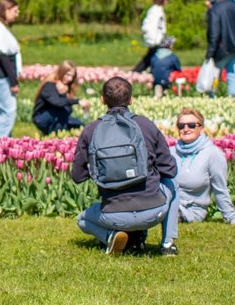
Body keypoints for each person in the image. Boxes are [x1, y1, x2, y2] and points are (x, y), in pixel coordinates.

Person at [71, 77, 179, 256]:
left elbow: (77, 176)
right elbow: (170, 169)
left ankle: (111, 236)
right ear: (131, 99)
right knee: (173, 183)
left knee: (82, 220)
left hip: (113, 215)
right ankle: (168, 245)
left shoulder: (91, 130)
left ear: (102, 100)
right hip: (154, 211)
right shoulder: (146, 125)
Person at [170, 108, 235, 226]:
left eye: (191, 125)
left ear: (201, 128)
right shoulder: (170, 152)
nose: (186, 129)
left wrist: (232, 219)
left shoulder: (212, 154)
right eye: (181, 126)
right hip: (167, 202)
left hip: (190, 211)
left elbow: (220, 189)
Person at [0, 0, 22, 140]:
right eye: (15, 11)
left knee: (2, 114)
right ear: (5, 10)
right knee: (9, 112)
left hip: (1, 77)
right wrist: (13, 82)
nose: (17, 14)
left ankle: (0, 143)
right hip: (1, 77)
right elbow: (3, 57)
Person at [32, 60, 89, 135]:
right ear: (61, 72)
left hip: (56, 117)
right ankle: (55, 138)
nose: (70, 79)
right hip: (42, 118)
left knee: (80, 125)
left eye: (72, 76)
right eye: (68, 75)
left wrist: (64, 94)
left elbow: (68, 109)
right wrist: (77, 101)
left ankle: (61, 137)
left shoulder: (65, 87)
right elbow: (58, 102)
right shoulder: (49, 85)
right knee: (61, 112)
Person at [133, 0, 168, 72]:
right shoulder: (156, 11)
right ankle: (136, 73)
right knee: (149, 59)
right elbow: (153, 26)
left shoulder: (156, 10)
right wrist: (153, 40)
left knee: (149, 58)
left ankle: (137, 72)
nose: (167, 1)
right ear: (162, 0)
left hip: (157, 39)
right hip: (155, 40)